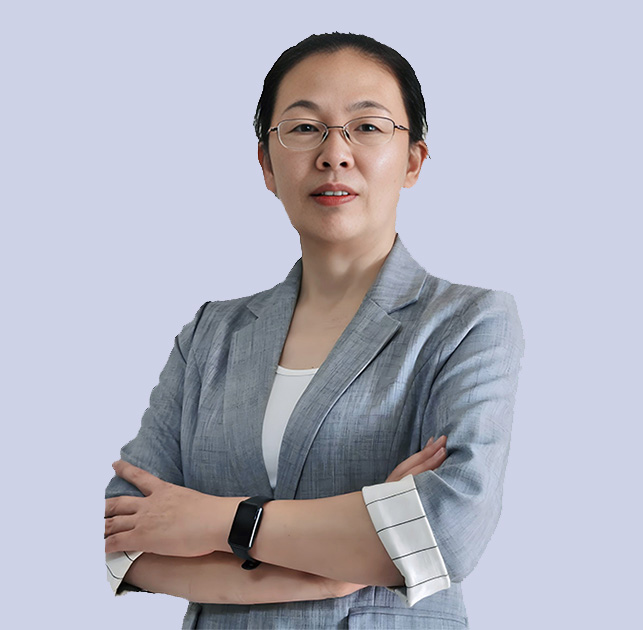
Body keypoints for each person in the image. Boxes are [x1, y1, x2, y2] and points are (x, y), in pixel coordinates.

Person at [104, 32, 525, 629]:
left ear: (413, 160)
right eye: (304, 128)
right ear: (266, 164)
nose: (334, 154)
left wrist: (218, 522)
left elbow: (447, 531)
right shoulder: (210, 335)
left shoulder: (466, 323)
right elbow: (121, 534)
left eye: (367, 127)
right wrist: (333, 567)